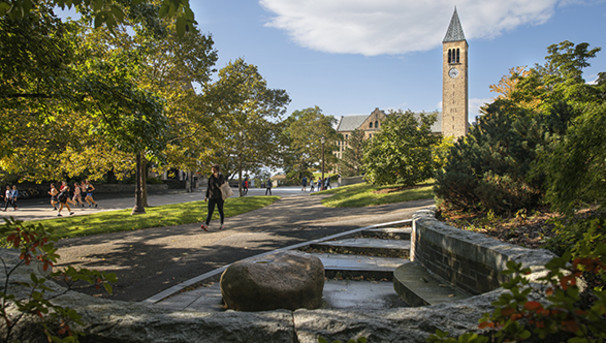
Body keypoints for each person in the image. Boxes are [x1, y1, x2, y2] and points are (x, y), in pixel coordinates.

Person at [201, 164, 225, 232]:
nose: (212, 171)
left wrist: (217, 177)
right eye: (212, 170)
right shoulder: (210, 177)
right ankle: (206, 225)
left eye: (214, 170)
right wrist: (206, 196)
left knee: (220, 210)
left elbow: (221, 184)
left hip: (220, 197)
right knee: (210, 211)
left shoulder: (221, 177)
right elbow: (208, 188)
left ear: (217, 170)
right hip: (212, 197)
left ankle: (222, 224)